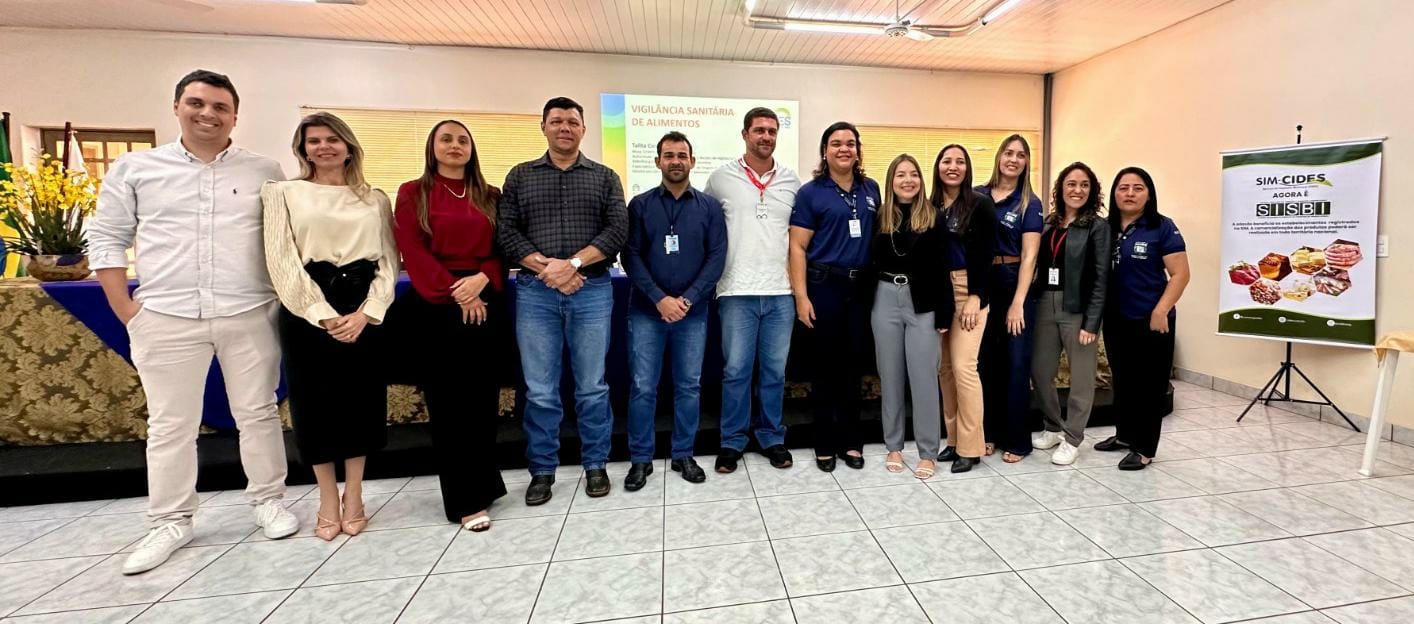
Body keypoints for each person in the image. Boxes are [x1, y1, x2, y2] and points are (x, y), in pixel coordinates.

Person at [90, 70, 298, 575]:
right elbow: (108, 237)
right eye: (197, 103)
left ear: (235, 116)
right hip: (165, 315)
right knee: (170, 424)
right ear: (177, 107)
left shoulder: (263, 170)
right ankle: (171, 520)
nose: (208, 114)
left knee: (258, 412)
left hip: (248, 312)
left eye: (220, 107)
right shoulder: (137, 168)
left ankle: (269, 501)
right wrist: (126, 311)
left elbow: (282, 237)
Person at [262, 112, 398, 540]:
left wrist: (368, 312)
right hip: (307, 309)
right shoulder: (283, 192)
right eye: (314, 140)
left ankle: (354, 494)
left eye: (332, 139)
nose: (324, 147)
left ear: (348, 146)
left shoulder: (375, 198)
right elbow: (281, 260)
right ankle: (325, 497)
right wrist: (321, 312)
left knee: (360, 403)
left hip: (362, 309)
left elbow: (389, 261)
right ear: (303, 149)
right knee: (314, 406)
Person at [498, 97, 628, 505]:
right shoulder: (520, 176)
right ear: (544, 127)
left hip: (591, 291)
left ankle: (595, 464)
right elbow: (507, 233)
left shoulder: (605, 177)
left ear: (584, 129)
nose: (565, 128)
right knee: (540, 391)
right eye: (557, 121)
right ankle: (542, 470)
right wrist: (549, 270)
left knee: (592, 387)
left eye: (572, 121)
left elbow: (616, 231)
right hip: (536, 294)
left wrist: (571, 265)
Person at [390, 119, 507, 531]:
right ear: (432, 147)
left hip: (484, 300)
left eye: (462, 140)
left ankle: (485, 485)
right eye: (446, 139)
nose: (455, 145)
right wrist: (457, 291)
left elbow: (502, 248)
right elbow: (412, 250)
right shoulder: (412, 193)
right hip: (438, 304)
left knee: (482, 401)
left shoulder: (490, 195)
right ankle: (464, 501)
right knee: (450, 405)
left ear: (472, 149)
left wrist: (482, 279)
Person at [621, 131, 727, 489]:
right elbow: (630, 255)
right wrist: (659, 299)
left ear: (692, 161)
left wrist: (687, 300)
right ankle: (640, 459)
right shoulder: (640, 205)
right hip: (646, 311)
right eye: (669, 155)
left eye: (682, 155)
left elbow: (716, 257)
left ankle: (683, 454)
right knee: (642, 387)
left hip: (692, 313)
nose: (676, 161)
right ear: (657, 162)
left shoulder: (709, 207)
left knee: (689, 386)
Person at [703, 107, 801, 474]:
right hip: (735, 290)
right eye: (759, 130)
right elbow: (705, 227)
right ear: (745, 134)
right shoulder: (720, 179)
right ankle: (732, 441)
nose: (766, 137)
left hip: (780, 292)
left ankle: (772, 436)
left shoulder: (791, 181)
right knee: (737, 372)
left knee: (774, 373)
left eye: (772, 131)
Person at [789, 121, 879, 473]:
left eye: (850, 143)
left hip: (861, 289)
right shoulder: (811, 193)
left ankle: (852, 440)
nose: (844, 149)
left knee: (854, 368)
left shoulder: (871, 189)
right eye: (836, 143)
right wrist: (801, 296)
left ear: (858, 151)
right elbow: (797, 247)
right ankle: (824, 441)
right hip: (823, 285)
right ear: (825, 151)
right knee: (825, 368)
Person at [1095, 167, 1189, 470]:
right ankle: (1124, 435)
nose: (1130, 193)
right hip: (1116, 318)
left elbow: (1180, 274)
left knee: (1149, 386)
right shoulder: (1105, 228)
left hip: (1152, 319)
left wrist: (1161, 310)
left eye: (1138, 188)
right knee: (1123, 380)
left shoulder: (1162, 227)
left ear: (1149, 194)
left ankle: (1145, 448)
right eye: (1123, 188)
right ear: (1114, 193)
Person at [871, 154, 949, 479]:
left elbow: (942, 266)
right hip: (884, 297)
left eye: (913, 174)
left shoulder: (933, 217)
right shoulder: (880, 216)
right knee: (890, 377)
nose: (908, 180)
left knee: (924, 379)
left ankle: (928, 452)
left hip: (923, 301)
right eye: (901, 175)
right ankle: (893, 446)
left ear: (921, 180)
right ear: (891, 181)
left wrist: (944, 313)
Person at [1031, 162, 1111, 465]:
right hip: (1044, 303)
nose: (1077, 190)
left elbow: (1101, 278)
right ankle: (1053, 426)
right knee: (1040, 372)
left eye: (1084, 185)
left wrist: (1092, 321)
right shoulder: (1049, 223)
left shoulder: (1098, 227)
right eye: (1071, 184)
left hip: (1077, 308)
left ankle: (1074, 437)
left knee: (1081, 379)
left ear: (1092, 191)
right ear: (1060, 189)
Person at [977, 135, 1044, 464]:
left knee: (1016, 363)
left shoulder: (1030, 202)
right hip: (982, 283)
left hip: (1014, 282)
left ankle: (1017, 441)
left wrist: (1018, 302)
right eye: (1008, 152)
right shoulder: (978, 194)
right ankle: (988, 433)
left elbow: (1030, 256)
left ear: (1026, 162)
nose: (1013, 159)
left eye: (1020, 155)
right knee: (985, 362)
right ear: (999, 157)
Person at [932, 145, 998, 473]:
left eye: (960, 161)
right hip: (937, 292)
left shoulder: (979, 204)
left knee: (963, 367)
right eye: (947, 161)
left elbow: (986, 254)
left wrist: (975, 296)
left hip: (967, 288)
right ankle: (954, 439)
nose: (953, 166)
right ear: (937, 166)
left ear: (967, 168)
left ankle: (971, 447)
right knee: (945, 370)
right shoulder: (929, 205)